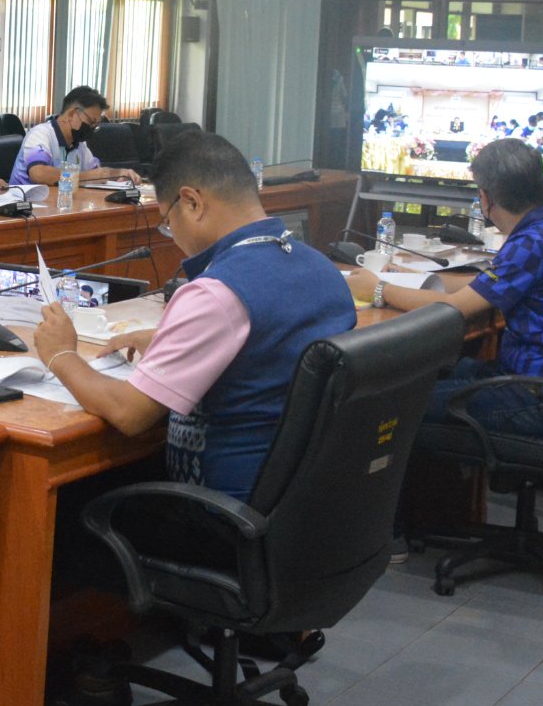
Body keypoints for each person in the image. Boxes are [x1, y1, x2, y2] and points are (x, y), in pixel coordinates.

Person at [32, 132, 356, 500]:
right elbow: (273, 346)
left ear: (192, 202)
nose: (171, 236)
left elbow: (129, 413)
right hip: (304, 502)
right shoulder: (322, 267)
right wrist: (171, 340)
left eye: (168, 221)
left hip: (219, 509)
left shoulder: (217, 293)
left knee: (69, 499)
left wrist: (61, 354)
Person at [349, 139, 543, 439]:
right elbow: (482, 286)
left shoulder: (532, 244)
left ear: (485, 197)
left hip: (540, 400)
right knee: (446, 371)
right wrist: (407, 275)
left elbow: (455, 309)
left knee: (389, 405)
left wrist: (379, 289)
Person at [11, 86, 139, 187]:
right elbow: (39, 174)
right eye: (90, 122)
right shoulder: (40, 134)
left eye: (96, 125)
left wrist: (119, 173)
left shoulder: (79, 144)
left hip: (59, 205)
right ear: (71, 114)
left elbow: (97, 173)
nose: (92, 128)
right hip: (28, 206)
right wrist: (86, 177)